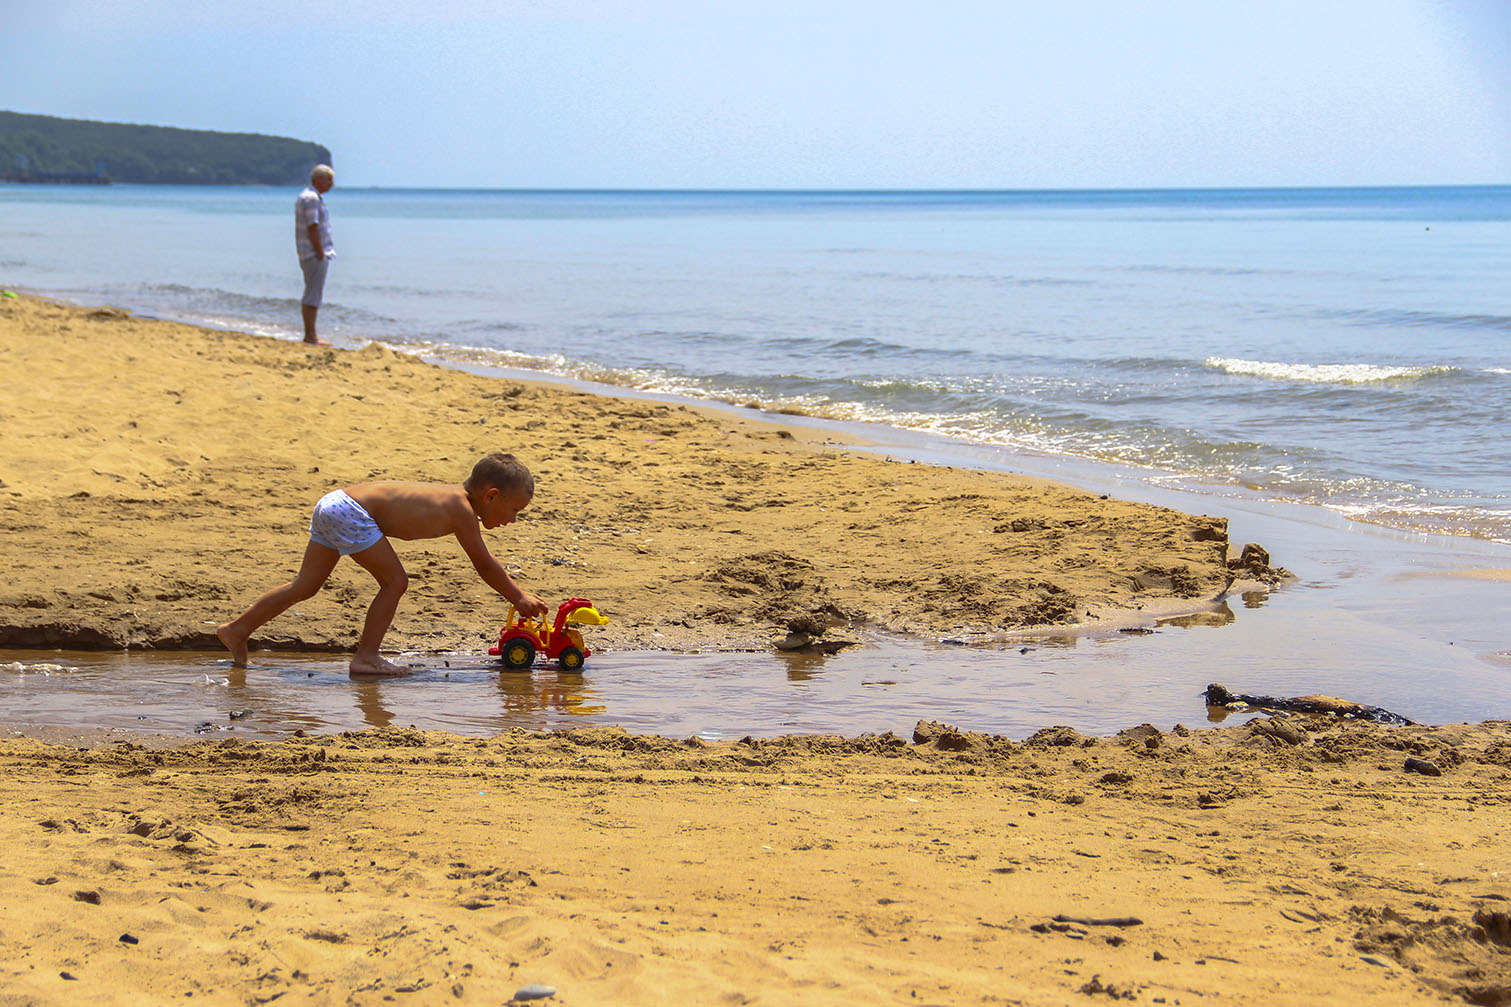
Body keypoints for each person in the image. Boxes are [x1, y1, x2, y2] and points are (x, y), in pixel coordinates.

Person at [217, 452, 548, 677]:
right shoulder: (460, 509)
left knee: (305, 586)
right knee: (395, 582)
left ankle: (237, 630)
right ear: (491, 497)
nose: (514, 520)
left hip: (333, 502)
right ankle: (366, 658)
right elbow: (484, 564)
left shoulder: (453, 499)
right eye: (515, 510)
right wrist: (518, 597)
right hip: (352, 512)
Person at [295, 164, 336, 345]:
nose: (332, 184)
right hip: (313, 253)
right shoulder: (311, 199)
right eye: (329, 180)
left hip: (308, 252)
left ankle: (310, 334)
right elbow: (313, 227)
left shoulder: (308, 196)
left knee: (312, 291)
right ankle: (311, 335)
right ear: (319, 179)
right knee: (313, 293)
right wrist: (320, 252)